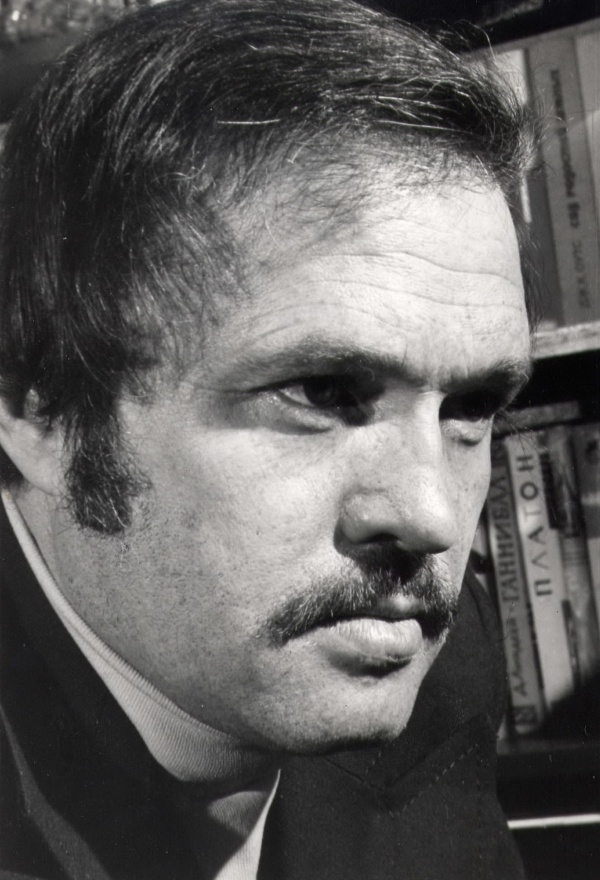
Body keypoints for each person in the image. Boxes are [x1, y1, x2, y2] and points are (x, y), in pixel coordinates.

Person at [0, 1, 536, 877]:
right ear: (42, 411)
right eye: (322, 393)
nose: (432, 517)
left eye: (471, 407)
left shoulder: (433, 660)